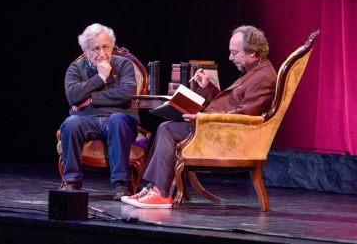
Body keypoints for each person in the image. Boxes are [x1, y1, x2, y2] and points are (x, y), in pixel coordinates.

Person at [122, 25, 277, 208]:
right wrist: (208, 87)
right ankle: (154, 188)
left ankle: (161, 194)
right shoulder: (254, 71)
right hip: (216, 126)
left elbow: (245, 115)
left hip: (227, 136)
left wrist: (202, 118)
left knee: (168, 129)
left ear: (252, 52)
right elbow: (232, 104)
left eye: (234, 53)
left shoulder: (264, 76)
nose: (230, 58)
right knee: (168, 125)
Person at [59, 23, 140, 200]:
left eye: (106, 47)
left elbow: (128, 93)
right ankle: (72, 181)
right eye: (95, 49)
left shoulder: (124, 64)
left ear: (111, 47)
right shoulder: (76, 69)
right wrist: (100, 78)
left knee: (117, 119)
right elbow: (73, 97)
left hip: (120, 119)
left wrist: (90, 99)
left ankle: (121, 184)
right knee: (70, 123)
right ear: (85, 50)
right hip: (88, 120)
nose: (102, 54)